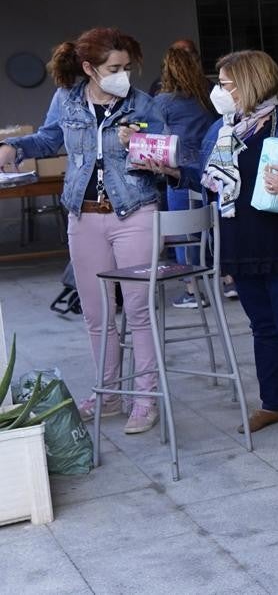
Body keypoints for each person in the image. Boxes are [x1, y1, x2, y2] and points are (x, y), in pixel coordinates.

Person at [147, 49, 278, 436]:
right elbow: (210, 178)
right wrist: (175, 172)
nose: (219, 91)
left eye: (226, 84)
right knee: (262, 328)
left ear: (249, 83)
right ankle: (273, 405)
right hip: (240, 243)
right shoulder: (223, 129)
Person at [0, 27, 173, 434]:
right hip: (83, 216)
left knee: (139, 310)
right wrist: (16, 147)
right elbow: (49, 140)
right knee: (96, 315)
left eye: (127, 67)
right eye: (114, 68)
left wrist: (148, 151)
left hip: (134, 212)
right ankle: (108, 394)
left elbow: (168, 156)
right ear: (88, 68)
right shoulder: (66, 99)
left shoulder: (142, 104)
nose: (122, 75)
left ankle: (146, 399)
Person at [151, 42, 218, 308]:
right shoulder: (210, 94)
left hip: (178, 171)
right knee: (214, 227)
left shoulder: (163, 101)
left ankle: (192, 290)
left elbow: (150, 133)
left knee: (183, 231)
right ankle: (228, 279)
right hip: (211, 169)